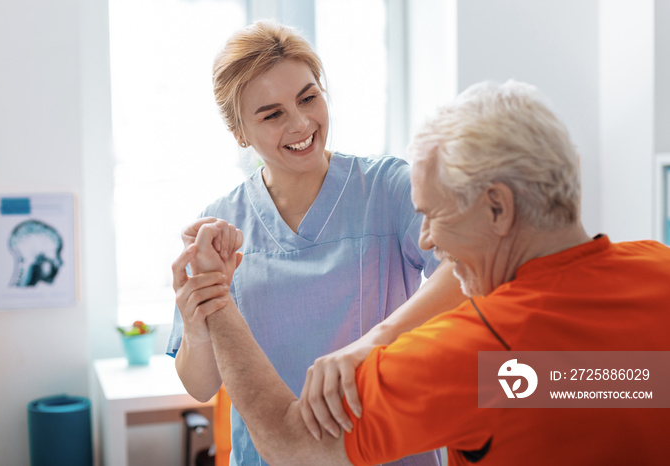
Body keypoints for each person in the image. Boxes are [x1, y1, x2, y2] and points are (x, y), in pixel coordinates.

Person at [173, 79, 670, 465]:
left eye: (434, 214)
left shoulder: (472, 354)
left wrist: (217, 300)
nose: (427, 239)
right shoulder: (659, 268)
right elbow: (621, 381)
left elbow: (291, 444)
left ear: (497, 208)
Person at [167, 20, 465, 466]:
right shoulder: (221, 224)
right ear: (240, 133)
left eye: (309, 97)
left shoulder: (388, 189)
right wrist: (197, 322)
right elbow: (200, 385)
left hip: (387, 450)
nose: (302, 122)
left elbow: (467, 273)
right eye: (272, 114)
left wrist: (375, 342)